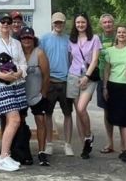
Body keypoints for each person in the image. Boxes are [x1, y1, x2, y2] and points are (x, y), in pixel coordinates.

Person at [0, 13, 28, 172]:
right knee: (14, 119)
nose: (6, 24)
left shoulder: (16, 43)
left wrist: (20, 73)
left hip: (17, 84)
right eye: (3, 21)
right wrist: (1, 75)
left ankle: (6, 154)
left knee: (15, 120)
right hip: (1, 85)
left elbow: (23, 62)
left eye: (9, 22)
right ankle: (2, 158)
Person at [68, 12, 102, 159]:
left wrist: (87, 77)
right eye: (77, 22)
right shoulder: (71, 40)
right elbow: (71, 58)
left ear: (87, 23)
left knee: (82, 108)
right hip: (73, 76)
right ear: (74, 24)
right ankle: (84, 145)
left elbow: (94, 60)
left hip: (88, 77)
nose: (80, 25)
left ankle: (88, 136)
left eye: (83, 22)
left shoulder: (94, 39)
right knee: (78, 112)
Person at [102, 25, 126, 162]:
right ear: (116, 35)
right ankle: (122, 147)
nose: (121, 34)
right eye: (119, 32)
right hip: (113, 85)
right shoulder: (109, 51)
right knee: (115, 118)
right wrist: (105, 87)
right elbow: (106, 70)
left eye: (124, 32)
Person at [39, 12, 74, 156]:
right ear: (52, 23)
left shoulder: (70, 40)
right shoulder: (44, 39)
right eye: (56, 22)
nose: (58, 25)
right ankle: (49, 144)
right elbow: (40, 59)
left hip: (65, 81)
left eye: (61, 22)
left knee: (68, 114)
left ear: (64, 24)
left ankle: (68, 144)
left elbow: (72, 59)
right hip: (50, 82)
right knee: (48, 114)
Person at [19, 25, 51, 166]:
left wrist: (43, 93)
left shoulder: (39, 53)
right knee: (19, 123)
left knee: (41, 122)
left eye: (29, 38)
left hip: (36, 95)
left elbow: (46, 75)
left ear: (33, 39)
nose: (26, 40)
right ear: (20, 39)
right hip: (20, 94)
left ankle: (42, 152)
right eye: (24, 37)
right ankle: (22, 150)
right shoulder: (17, 52)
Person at [96, 13, 117, 153]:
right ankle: (110, 142)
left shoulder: (120, 35)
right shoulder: (97, 39)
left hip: (119, 79)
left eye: (110, 22)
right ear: (101, 25)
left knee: (122, 111)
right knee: (107, 111)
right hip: (102, 78)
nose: (107, 24)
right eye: (105, 22)